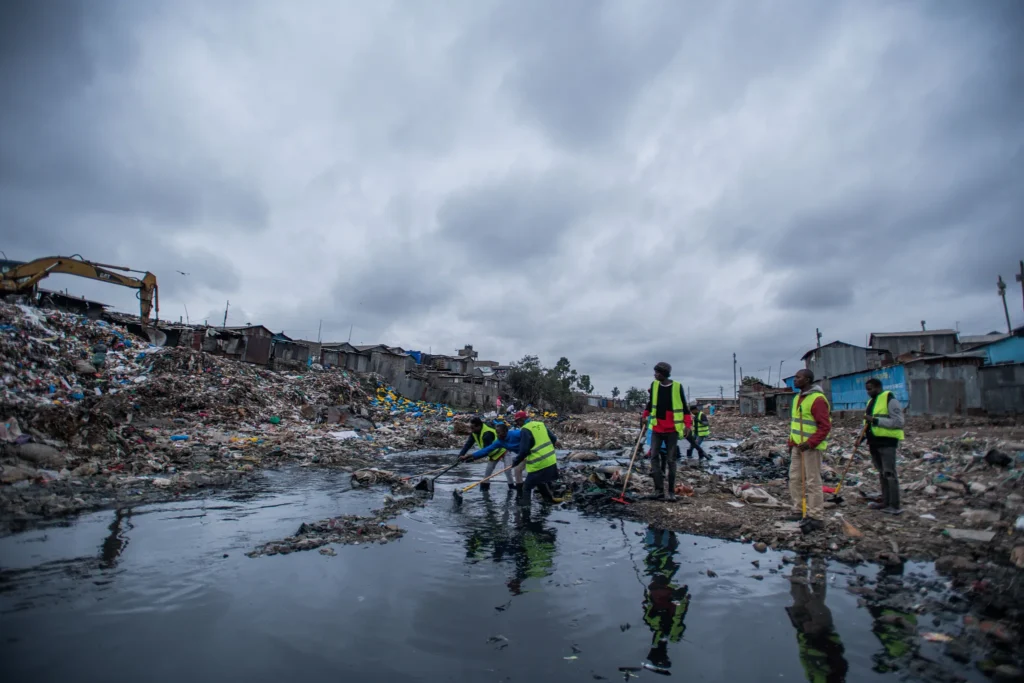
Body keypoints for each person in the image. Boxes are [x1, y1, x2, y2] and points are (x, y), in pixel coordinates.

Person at [787, 369, 832, 533]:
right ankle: (799, 509)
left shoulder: (817, 399)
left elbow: (825, 426)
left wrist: (811, 443)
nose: (795, 380)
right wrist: (791, 442)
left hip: (810, 448)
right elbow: (795, 423)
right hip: (797, 446)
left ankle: (816, 516)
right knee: (795, 478)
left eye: (798, 377)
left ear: (807, 380)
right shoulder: (797, 398)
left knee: (813, 481)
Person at [642, 362, 691, 501]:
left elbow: (684, 407)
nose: (655, 375)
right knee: (653, 457)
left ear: (664, 374)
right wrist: (644, 415)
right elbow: (650, 403)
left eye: (657, 373)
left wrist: (688, 425)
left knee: (671, 460)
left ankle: (670, 492)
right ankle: (658, 490)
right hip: (657, 428)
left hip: (672, 430)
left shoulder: (677, 387)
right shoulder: (654, 385)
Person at [864, 378, 905, 515]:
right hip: (874, 442)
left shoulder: (890, 399)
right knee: (882, 473)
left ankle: (895, 505)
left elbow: (898, 422)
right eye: (867, 389)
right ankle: (885, 502)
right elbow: (868, 424)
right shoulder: (871, 402)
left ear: (878, 387)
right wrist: (861, 438)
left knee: (889, 473)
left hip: (887, 442)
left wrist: (876, 420)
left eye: (870, 389)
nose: (868, 392)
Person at [511, 410, 561, 505]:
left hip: (539, 463)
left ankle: (525, 510)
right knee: (539, 481)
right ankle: (548, 500)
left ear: (522, 419)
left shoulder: (525, 429)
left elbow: (524, 450)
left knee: (526, 488)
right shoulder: (540, 424)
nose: (517, 424)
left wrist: (516, 461)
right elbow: (553, 438)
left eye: (517, 421)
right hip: (550, 460)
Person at [464, 422, 520, 494]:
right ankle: (485, 487)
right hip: (494, 454)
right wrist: (472, 456)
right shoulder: (499, 441)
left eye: (499, 433)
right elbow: (486, 450)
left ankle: (512, 487)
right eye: (497, 433)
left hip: (506, 452)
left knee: (508, 470)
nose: (498, 435)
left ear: (506, 431)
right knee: (488, 470)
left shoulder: (515, 434)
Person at [457, 417, 501, 492]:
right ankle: (484, 492)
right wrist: (460, 456)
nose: (471, 430)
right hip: (493, 455)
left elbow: (486, 451)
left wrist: (472, 458)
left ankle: (514, 490)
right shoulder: (474, 433)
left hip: (503, 451)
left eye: (473, 428)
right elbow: (468, 444)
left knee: (508, 473)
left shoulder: (487, 434)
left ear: (479, 426)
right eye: (470, 428)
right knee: (487, 475)